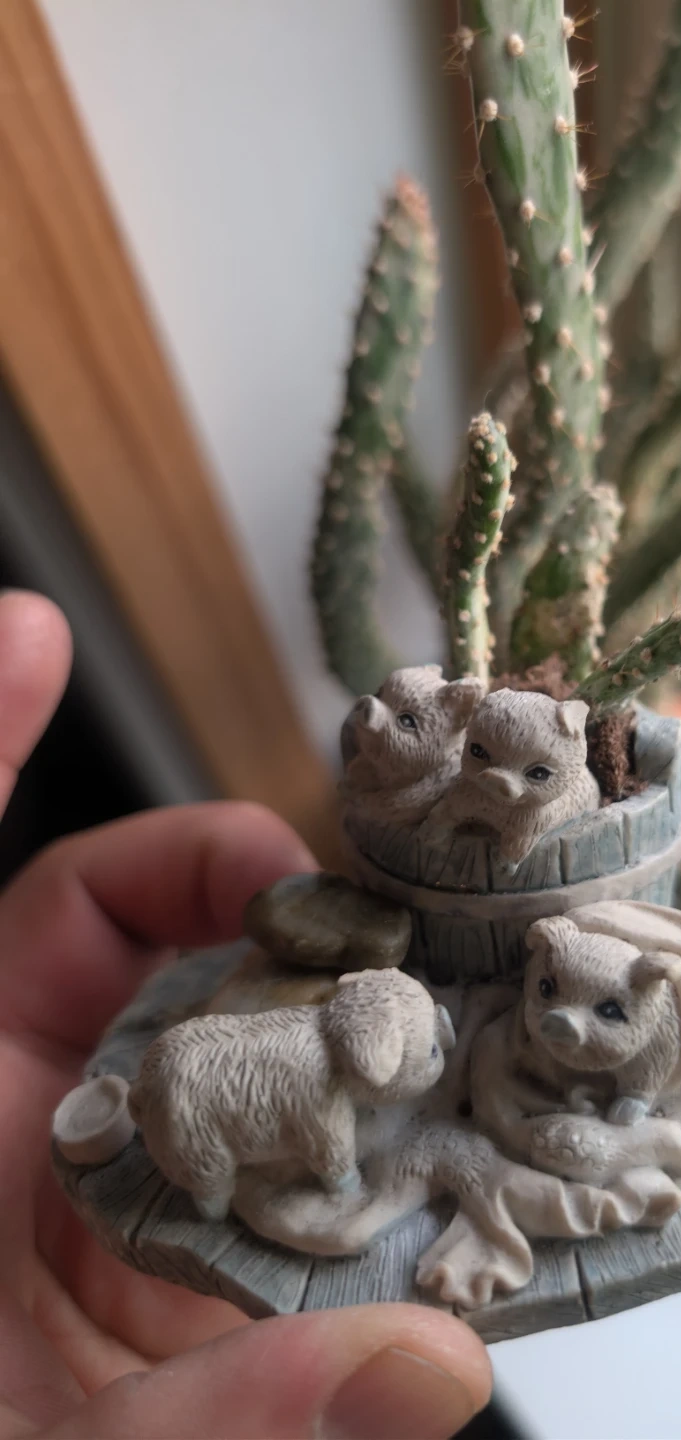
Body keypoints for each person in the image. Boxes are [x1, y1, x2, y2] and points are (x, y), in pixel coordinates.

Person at [0, 590, 492, 1439]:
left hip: (186, 1068)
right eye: (417, 1053)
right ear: (375, 1058)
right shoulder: (334, 1084)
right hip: (187, 1096)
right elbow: (329, 1142)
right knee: (209, 1163)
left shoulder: (334, 1017)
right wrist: (339, 1181)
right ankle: (210, 1193)